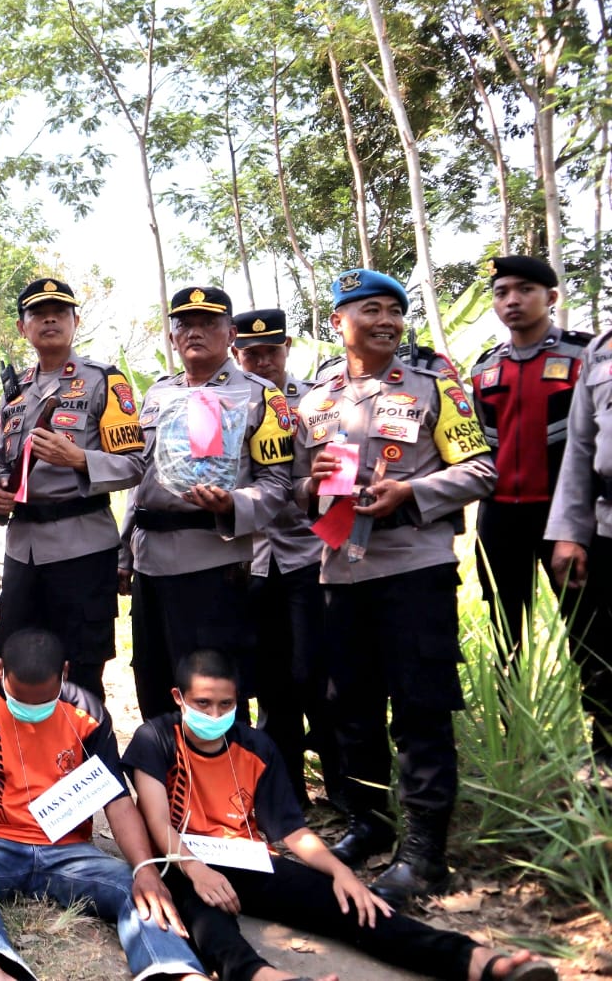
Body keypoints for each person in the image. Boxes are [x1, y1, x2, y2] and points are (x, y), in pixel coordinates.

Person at [124, 648, 557, 981]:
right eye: (203, 704)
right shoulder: (155, 738)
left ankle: (475, 960)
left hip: (245, 860)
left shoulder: (256, 746)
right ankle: (261, 975)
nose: (214, 715)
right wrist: (197, 870)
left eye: (225, 704)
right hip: (180, 861)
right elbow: (158, 820)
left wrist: (339, 872)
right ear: (179, 698)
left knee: (355, 904)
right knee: (203, 918)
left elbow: (291, 830)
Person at [292, 269, 495, 903]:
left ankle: (425, 852)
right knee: (351, 709)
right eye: (371, 309)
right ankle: (369, 824)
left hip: (413, 571)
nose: (386, 321)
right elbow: (298, 490)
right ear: (338, 322)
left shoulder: (435, 386)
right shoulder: (315, 401)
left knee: (420, 709)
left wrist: (411, 492)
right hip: (339, 574)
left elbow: (483, 468)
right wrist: (309, 485)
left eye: (394, 311)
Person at [0, 628, 207, 981]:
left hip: (67, 851)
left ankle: (171, 968)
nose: (32, 711)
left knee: (134, 886)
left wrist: (145, 869)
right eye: (20, 699)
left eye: (43, 702)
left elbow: (119, 804)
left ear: (64, 672)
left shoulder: (88, 714)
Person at [122, 287, 293, 721]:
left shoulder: (259, 396)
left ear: (231, 334)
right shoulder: (159, 393)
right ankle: (164, 781)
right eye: (185, 324)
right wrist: (124, 552)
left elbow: (277, 485)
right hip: (149, 564)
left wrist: (232, 503)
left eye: (208, 323)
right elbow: (139, 480)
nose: (194, 332)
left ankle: (223, 786)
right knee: (154, 683)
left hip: (212, 563)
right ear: (174, 335)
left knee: (211, 691)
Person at [0, 277, 146, 699]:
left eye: (59, 311)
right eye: (38, 313)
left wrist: (77, 459)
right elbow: (5, 470)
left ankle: (85, 761)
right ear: (23, 328)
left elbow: (135, 464)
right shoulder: (15, 391)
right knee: (12, 662)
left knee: (80, 669)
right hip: (22, 549)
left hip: (82, 548)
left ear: (75, 321)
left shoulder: (104, 382)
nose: (50, 318)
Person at [231, 308, 339, 808]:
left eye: (271, 350)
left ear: (287, 348)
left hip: (305, 556)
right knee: (267, 683)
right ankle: (286, 795)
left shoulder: (314, 402)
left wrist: (303, 487)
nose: (262, 360)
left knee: (315, 677)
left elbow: (329, 478)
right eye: (251, 353)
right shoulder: (224, 402)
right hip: (247, 560)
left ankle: (343, 792)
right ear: (236, 352)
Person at [471, 255, 591, 641]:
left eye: (525, 289)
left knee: (588, 625)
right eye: (501, 292)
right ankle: (509, 702)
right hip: (499, 516)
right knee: (504, 630)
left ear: (551, 296)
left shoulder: (585, 356)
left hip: (567, 514)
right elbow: (477, 444)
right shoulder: (484, 368)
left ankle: (598, 703)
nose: (512, 300)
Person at [545, 319, 612, 765]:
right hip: (607, 526)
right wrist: (569, 532)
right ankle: (607, 759)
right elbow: (580, 449)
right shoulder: (602, 350)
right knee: (604, 653)